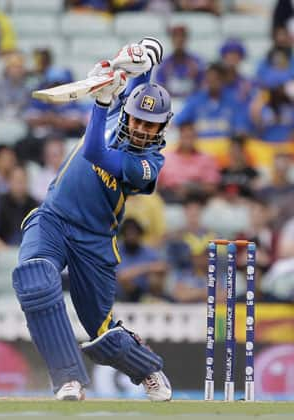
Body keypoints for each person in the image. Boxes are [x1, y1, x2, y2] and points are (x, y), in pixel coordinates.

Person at [11, 39, 173, 401]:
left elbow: (94, 151)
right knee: (34, 280)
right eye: (138, 120)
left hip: (94, 239)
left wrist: (101, 101)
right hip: (53, 216)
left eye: (151, 125)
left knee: (102, 333)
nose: (142, 128)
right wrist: (148, 52)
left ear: (162, 128)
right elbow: (144, 73)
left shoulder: (147, 165)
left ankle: (147, 368)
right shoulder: (123, 110)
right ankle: (68, 380)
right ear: (129, 110)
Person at [116, 218, 167, 302]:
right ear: (123, 234)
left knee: (156, 278)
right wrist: (147, 268)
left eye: (134, 232)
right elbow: (122, 276)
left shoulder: (147, 251)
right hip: (121, 296)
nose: (131, 236)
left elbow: (163, 267)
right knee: (126, 282)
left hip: (145, 293)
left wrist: (145, 269)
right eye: (128, 232)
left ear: (139, 234)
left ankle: (152, 300)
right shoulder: (117, 250)